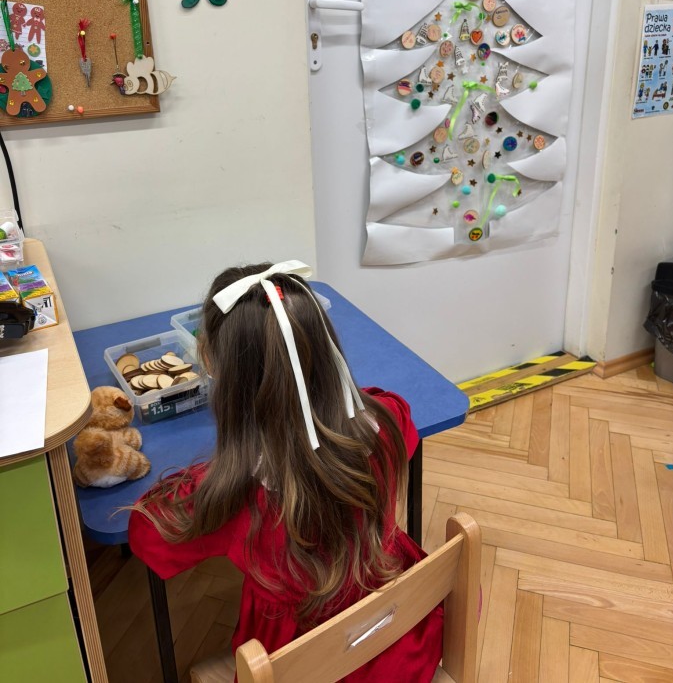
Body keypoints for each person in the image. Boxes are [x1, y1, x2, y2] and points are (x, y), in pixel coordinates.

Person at [129, 262, 443, 682]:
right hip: (403, 646)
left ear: (214, 364)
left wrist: (211, 475)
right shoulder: (385, 425)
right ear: (327, 350)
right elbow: (392, 411)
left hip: (296, 668)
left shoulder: (231, 494)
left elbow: (147, 537)